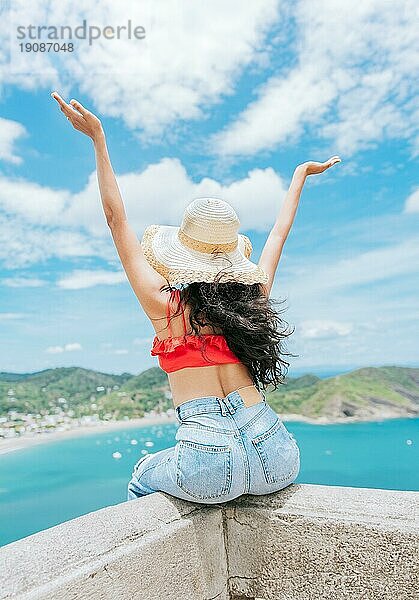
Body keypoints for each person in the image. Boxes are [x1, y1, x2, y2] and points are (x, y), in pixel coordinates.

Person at [51, 91, 341, 504]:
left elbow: (117, 221)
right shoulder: (252, 300)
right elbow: (278, 234)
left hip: (207, 462)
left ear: (181, 255)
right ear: (231, 256)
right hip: (277, 452)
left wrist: (98, 138)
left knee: (141, 476)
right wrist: (299, 175)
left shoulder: (164, 307)